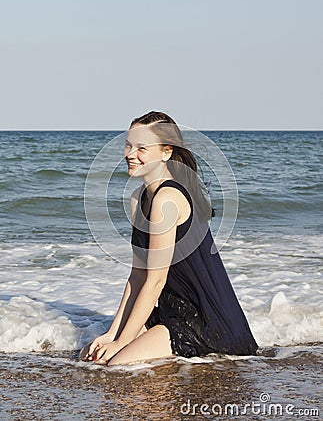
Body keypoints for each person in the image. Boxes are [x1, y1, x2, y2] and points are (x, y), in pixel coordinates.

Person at [79, 111, 258, 365]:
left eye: (142, 147)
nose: (130, 154)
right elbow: (138, 275)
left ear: (166, 152)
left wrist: (120, 344)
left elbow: (155, 280)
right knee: (93, 357)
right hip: (170, 312)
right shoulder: (137, 198)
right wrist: (112, 334)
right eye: (129, 145)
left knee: (117, 365)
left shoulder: (167, 199)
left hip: (205, 321)